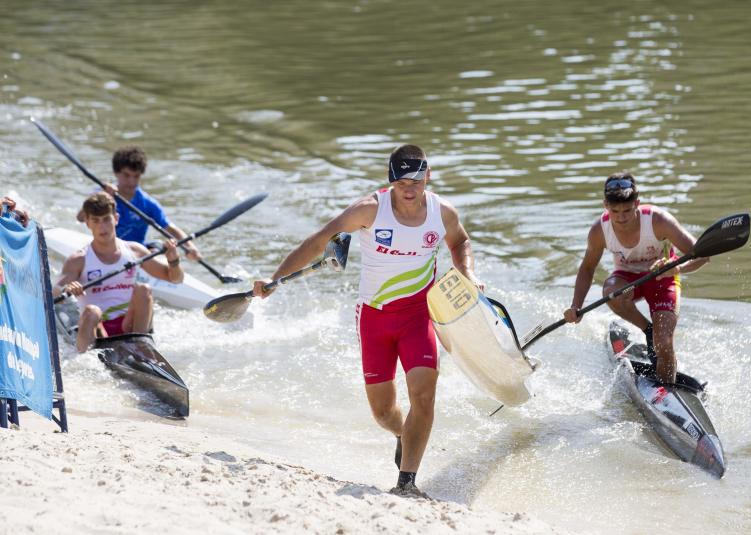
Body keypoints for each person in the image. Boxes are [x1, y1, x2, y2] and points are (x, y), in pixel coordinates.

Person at [253, 144, 483, 497]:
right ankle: (400, 434)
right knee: (382, 412)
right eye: (400, 181)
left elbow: (461, 241)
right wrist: (275, 277)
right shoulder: (369, 210)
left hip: (419, 314)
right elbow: (318, 242)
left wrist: (467, 272)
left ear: (428, 176)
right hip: (374, 319)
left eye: (415, 181)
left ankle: (406, 482)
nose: (408, 189)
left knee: (423, 395)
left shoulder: (443, 214)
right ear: (390, 180)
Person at [563, 172, 709, 384]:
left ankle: (665, 386)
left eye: (627, 210)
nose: (621, 218)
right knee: (610, 291)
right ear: (605, 206)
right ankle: (647, 329)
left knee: (664, 344)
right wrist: (575, 306)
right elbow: (587, 268)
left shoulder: (659, 221)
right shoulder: (599, 231)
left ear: (637, 204)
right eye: (614, 211)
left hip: (663, 279)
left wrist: (677, 269)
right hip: (628, 280)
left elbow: (702, 254)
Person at [57, 192, 184, 352]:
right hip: (98, 329)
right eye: (96, 221)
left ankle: (141, 348)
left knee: (143, 290)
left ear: (116, 218)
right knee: (91, 311)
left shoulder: (134, 251)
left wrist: (173, 260)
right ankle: (86, 357)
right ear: (88, 223)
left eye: (106, 219)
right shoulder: (78, 259)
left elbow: (175, 279)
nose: (102, 227)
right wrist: (67, 289)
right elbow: (56, 291)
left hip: (129, 324)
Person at [76, 145, 202, 260]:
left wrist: (190, 247)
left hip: (138, 252)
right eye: (126, 175)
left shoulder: (147, 203)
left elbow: (171, 230)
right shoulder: (102, 196)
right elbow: (81, 217)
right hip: (108, 249)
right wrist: (103, 195)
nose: (131, 181)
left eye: (136, 176)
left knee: (158, 247)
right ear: (116, 173)